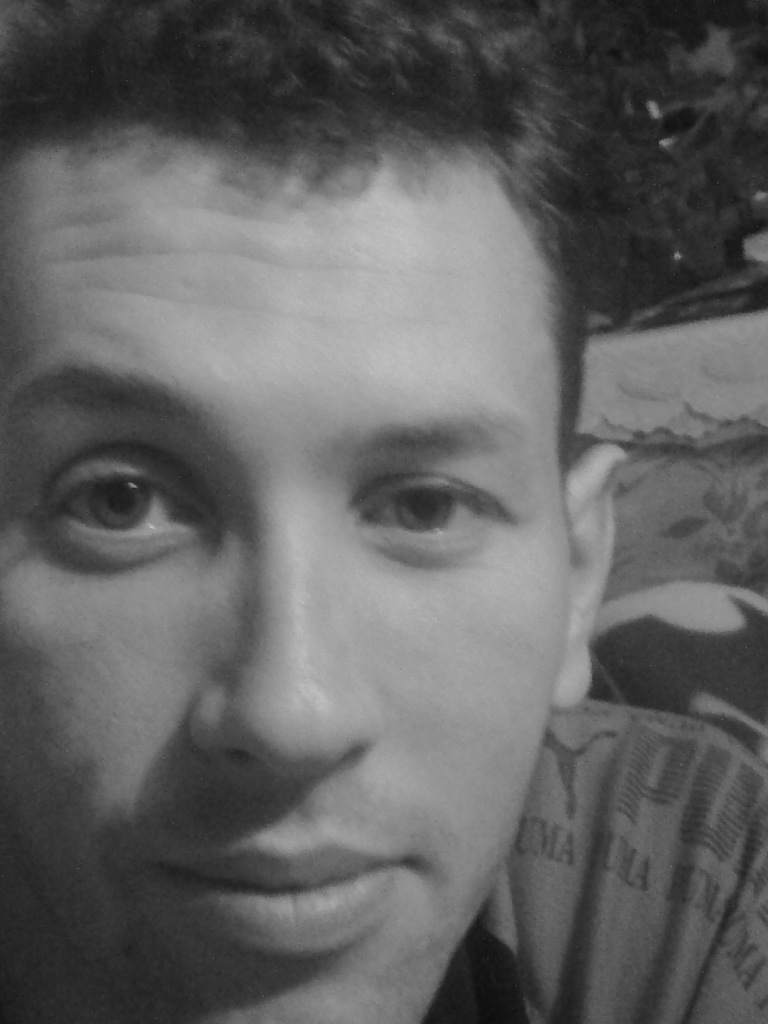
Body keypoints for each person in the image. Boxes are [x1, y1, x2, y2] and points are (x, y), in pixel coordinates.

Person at [0, 2, 764, 1023]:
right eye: (119, 500)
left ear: (579, 579)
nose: (291, 713)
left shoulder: (693, 875)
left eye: (424, 505)